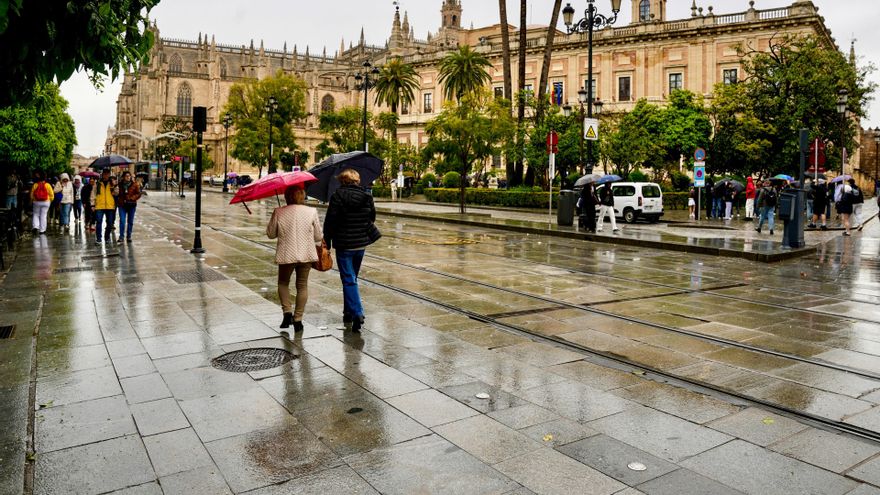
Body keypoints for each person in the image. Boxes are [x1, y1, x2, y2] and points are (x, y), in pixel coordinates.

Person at [323, 168, 381, 333]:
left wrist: (327, 240)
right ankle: (348, 312)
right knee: (351, 278)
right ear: (357, 181)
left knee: (348, 279)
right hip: (360, 244)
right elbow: (372, 217)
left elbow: (330, 221)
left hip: (344, 244)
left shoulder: (337, 196)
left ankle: (357, 313)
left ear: (342, 181)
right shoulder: (367, 196)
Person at [266, 185, 323, 332]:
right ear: (302, 196)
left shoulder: (279, 211)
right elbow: (318, 236)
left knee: (283, 283)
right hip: (306, 254)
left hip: (287, 254)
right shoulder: (312, 211)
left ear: (287, 196)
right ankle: (298, 320)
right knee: (302, 285)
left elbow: (271, 234)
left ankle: (287, 312)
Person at [90, 168, 118, 244]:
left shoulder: (112, 183)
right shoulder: (98, 183)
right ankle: (99, 239)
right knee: (98, 222)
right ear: (102, 174)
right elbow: (93, 193)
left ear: (109, 174)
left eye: (107, 174)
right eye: (104, 174)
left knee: (109, 223)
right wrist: (92, 204)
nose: (106, 175)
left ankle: (107, 237)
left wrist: (114, 186)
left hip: (110, 206)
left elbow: (116, 193)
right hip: (99, 205)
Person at [116, 171, 141, 243]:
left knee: (130, 221)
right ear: (123, 177)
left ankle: (129, 236)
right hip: (122, 205)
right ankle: (121, 236)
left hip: (131, 205)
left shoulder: (134, 184)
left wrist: (131, 198)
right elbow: (117, 194)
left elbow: (138, 194)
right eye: (126, 176)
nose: (128, 177)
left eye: (129, 176)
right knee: (122, 221)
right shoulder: (119, 185)